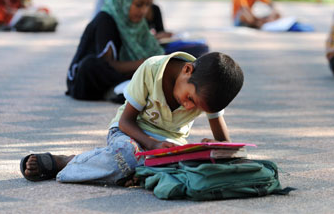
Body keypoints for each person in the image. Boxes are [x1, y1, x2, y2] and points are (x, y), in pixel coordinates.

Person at [21, 51, 245, 185]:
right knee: (129, 154)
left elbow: (225, 142)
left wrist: (214, 149)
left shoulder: (207, 93)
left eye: (197, 108)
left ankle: (133, 171)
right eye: (190, 99)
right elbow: (125, 122)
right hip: (130, 133)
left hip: (168, 146)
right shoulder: (151, 69)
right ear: (187, 70)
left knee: (188, 165)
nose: (189, 107)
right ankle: (66, 162)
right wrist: (152, 143)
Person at [66, 0, 164, 101]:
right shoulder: (105, 20)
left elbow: (152, 50)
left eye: (147, 5)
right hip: (86, 81)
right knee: (90, 65)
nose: (144, 11)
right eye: (139, 5)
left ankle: (124, 89)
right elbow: (108, 64)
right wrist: (144, 63)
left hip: (121, 75)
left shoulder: (138, 24)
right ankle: (125, 89)